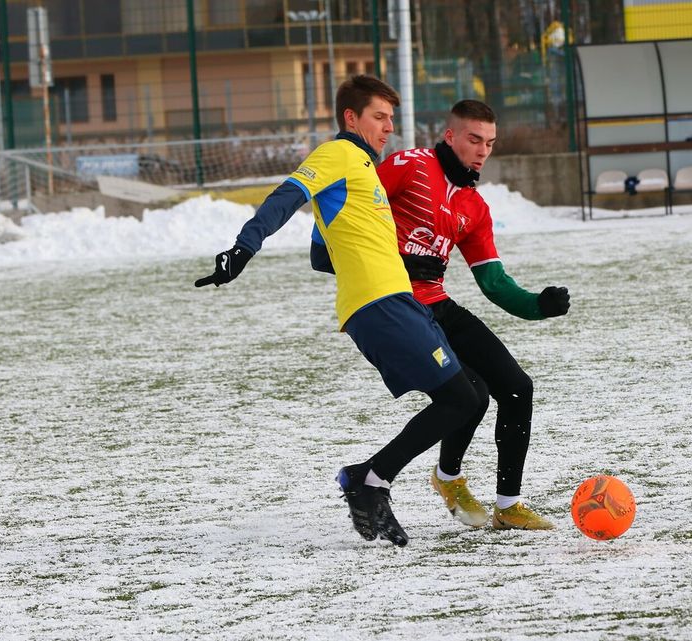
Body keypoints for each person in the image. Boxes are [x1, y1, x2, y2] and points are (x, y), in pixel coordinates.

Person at [194, 75, 481, 548]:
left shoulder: (363, 171)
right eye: (379, 117)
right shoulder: (339, 154)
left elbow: (322, 256)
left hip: (395, 301)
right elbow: (285, 198)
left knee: (473, 390)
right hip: (380, 304)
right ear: (351, 118)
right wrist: (242, 249)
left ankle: (369, 477)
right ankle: (370, 479)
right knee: (462, 400)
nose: (389, 127)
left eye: (392, 118)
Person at [311, 100, 570, 531]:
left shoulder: (474, 206)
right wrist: (332, 254)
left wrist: (537, 305)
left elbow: (493, 283)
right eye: (474, 139)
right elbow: (348, 205)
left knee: (517, 387)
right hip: (396, 304)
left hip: (438, 304)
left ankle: (506, 505)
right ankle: (436, 479)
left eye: (489, 142)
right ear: (450, 136)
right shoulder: (408, 165)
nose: (482, 150)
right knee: (470, 394)